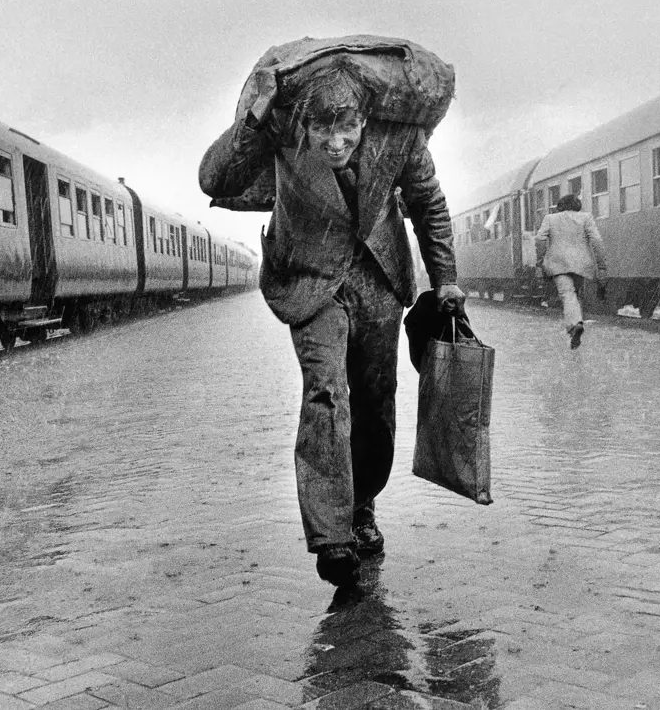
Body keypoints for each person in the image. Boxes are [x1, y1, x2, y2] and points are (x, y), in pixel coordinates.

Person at [199, 55, 464, 587]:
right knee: (325, 392)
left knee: (374, 399)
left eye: (346, 129)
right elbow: (215, 178)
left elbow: (428, 203)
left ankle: (362, 503)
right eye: (323, 129)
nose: (336, 142)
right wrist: (253, 115)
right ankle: (332, 536)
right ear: (306, 122)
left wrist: (446, 277)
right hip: (309, 279)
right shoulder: (280, 127)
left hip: (377, 278)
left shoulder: (401, 137)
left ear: (365, 120)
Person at [534, 194, 606, 349]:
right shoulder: (586, 218)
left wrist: (540, 261)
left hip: (558, 263)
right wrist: (601, 266)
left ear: (560, 206)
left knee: (567, 294)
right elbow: (597, 241)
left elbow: (539, 239)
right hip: (582, 264)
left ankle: (574, 325)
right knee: (576, 294)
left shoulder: (550, 219)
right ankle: (576, 323)